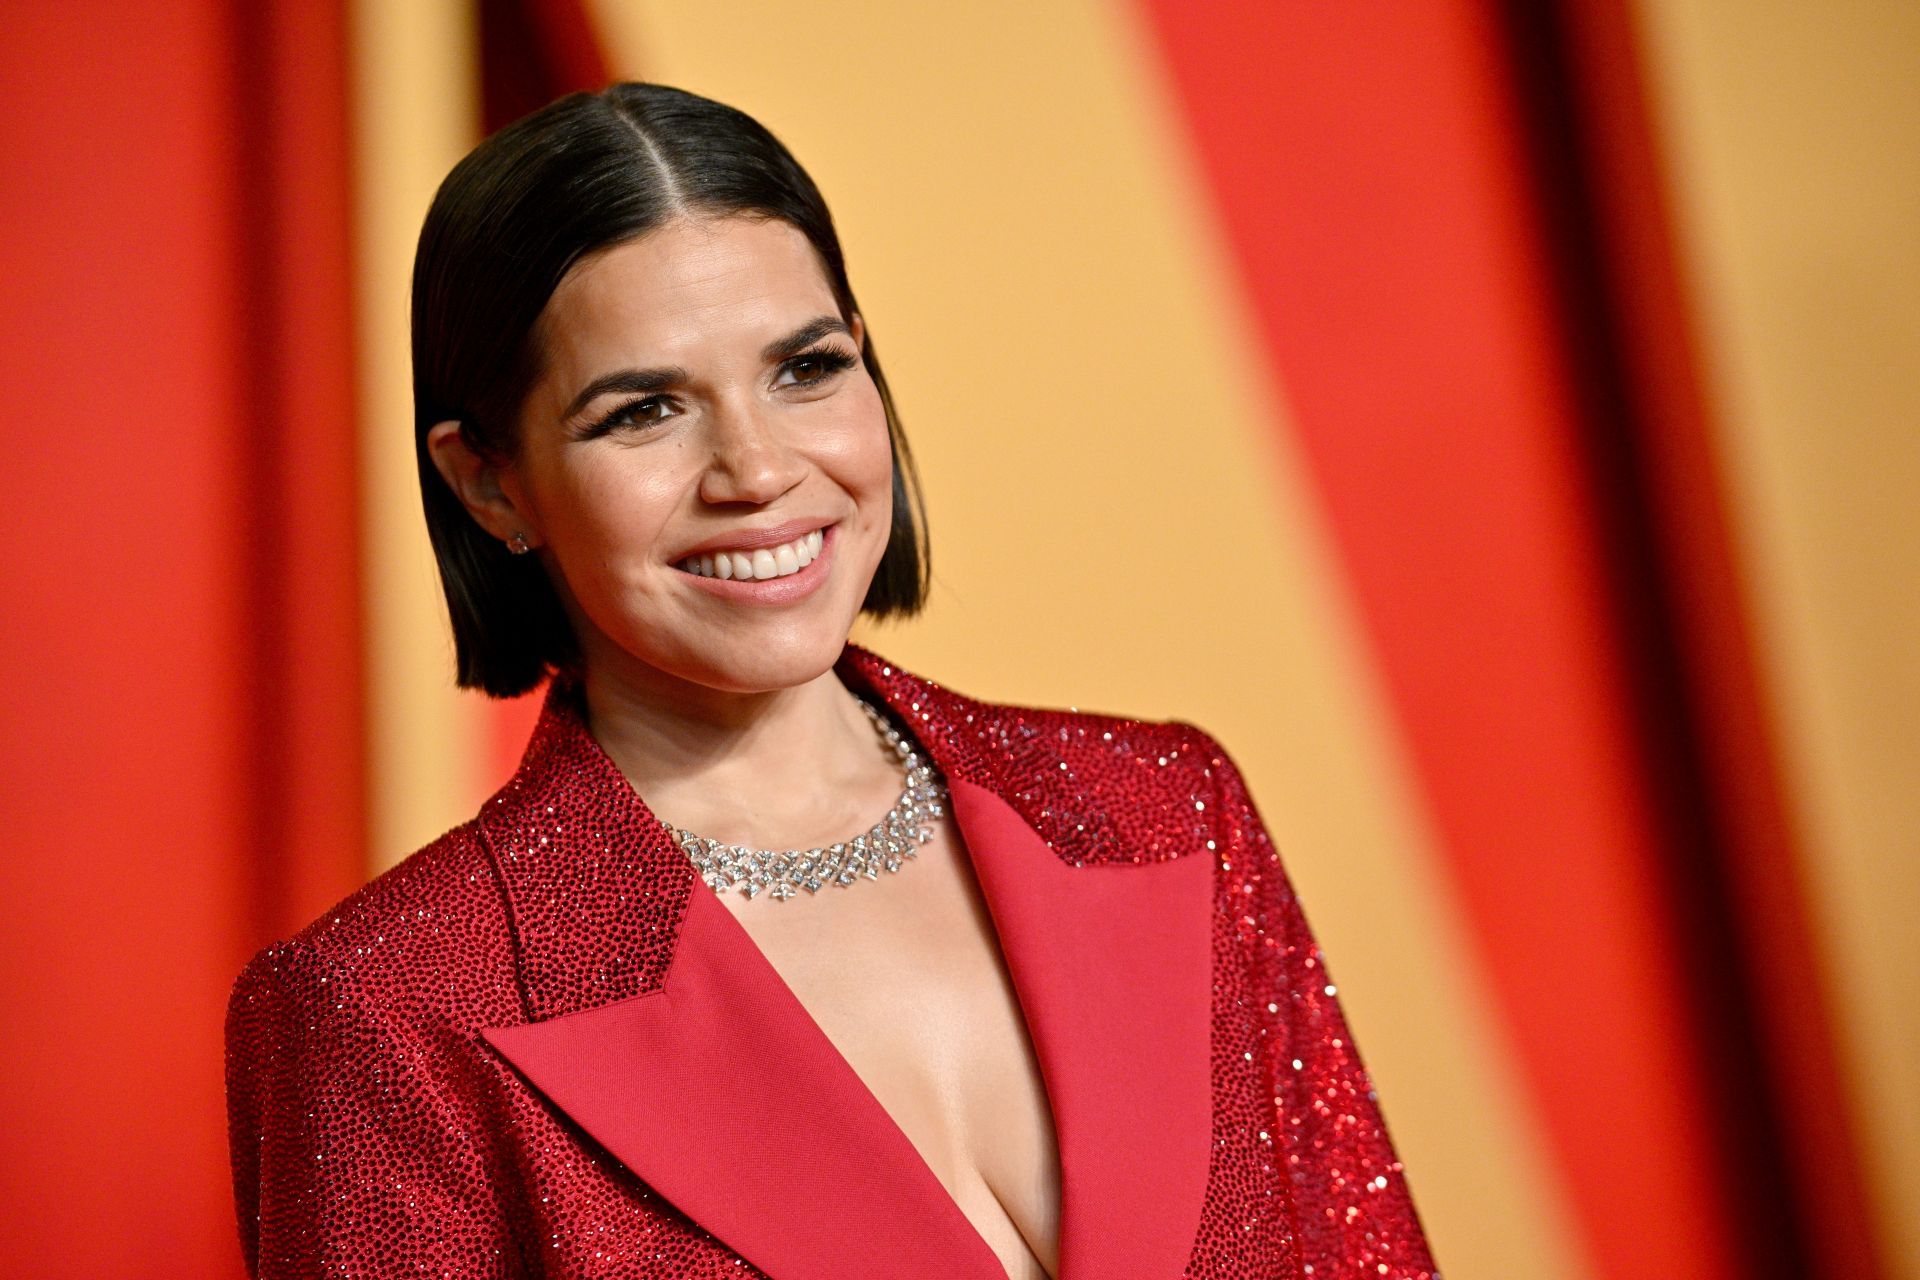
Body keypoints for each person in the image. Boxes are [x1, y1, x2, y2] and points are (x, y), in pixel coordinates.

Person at [223, 82, 1437, 1280]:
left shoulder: (1165, 809)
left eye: (805, 368)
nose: (756, 468)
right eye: (644, 410)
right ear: (490, 484)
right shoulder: (385, 1010)